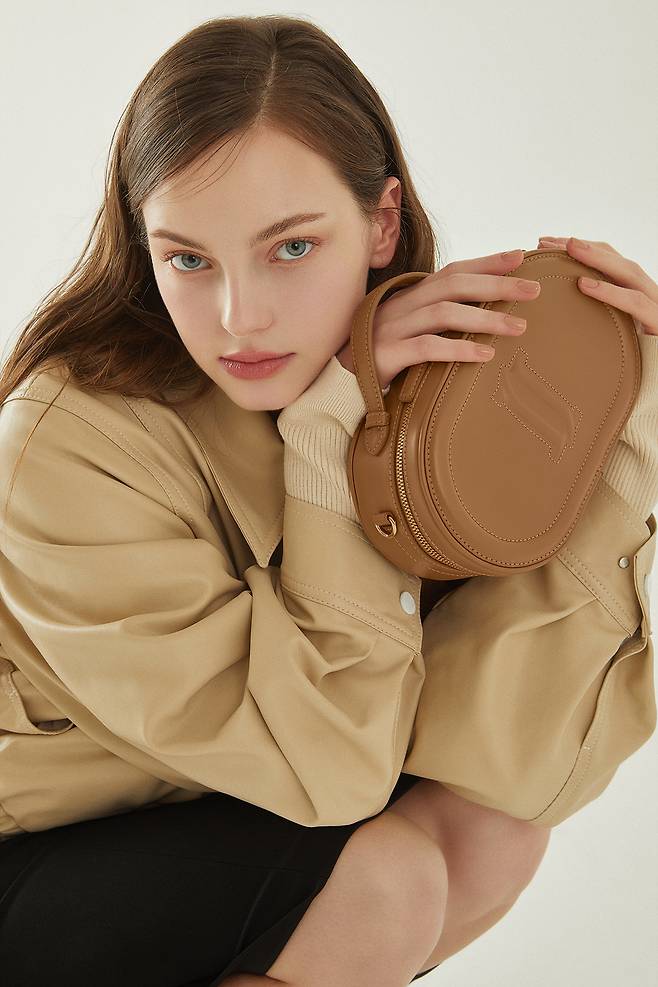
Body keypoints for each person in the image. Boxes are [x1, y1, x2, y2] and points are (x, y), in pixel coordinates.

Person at [1, 13, 656, 987]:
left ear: (382, 223)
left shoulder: (415, 378)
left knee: (490, 834)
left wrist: (627, 421)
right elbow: (334, 772)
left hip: (202, 810)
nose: (240, 318)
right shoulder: (65, 446)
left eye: (292, 247)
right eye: (188, 259)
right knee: (383, 878)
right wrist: (324, 438)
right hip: (29, 854)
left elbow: (513, 756)